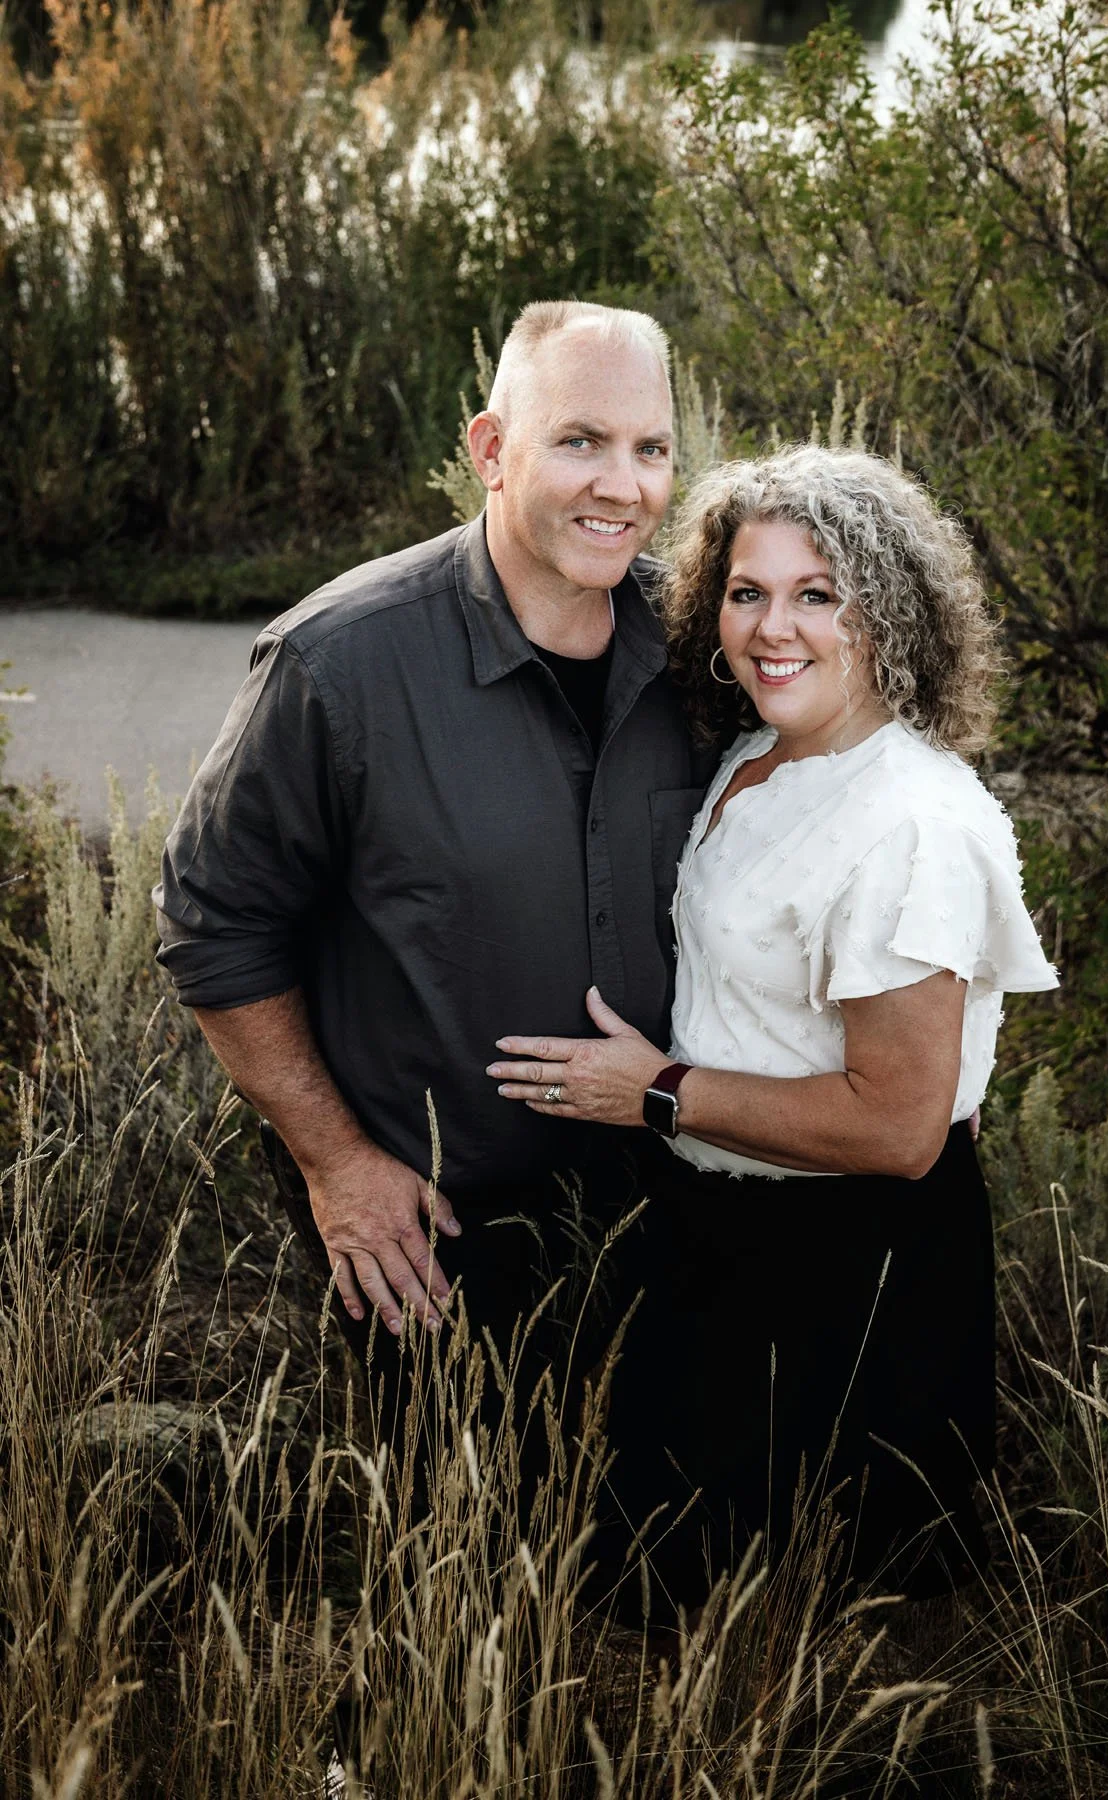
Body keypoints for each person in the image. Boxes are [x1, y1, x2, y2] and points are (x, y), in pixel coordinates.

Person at [485, 444, 1060, 1604]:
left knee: (814, 1637)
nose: (770, 627)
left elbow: (899, 1127)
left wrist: (651, 1092)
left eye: (816, 594)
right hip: (715, 1232)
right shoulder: (761, 752)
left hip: (849, 1267)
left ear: (884, 609)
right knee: (665, 1608)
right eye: (746, 592)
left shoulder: (907, 821)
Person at [152, 300, 714, 1469]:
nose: (623, 484)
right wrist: (336, 1163)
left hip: (668, 1203)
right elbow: (214, 926)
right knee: (475, 1555)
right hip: (436, 1225)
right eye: (580, 441)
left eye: (650, 450)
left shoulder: (699, 653)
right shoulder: (338, 664)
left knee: (673, 1558)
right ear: (491, 449)